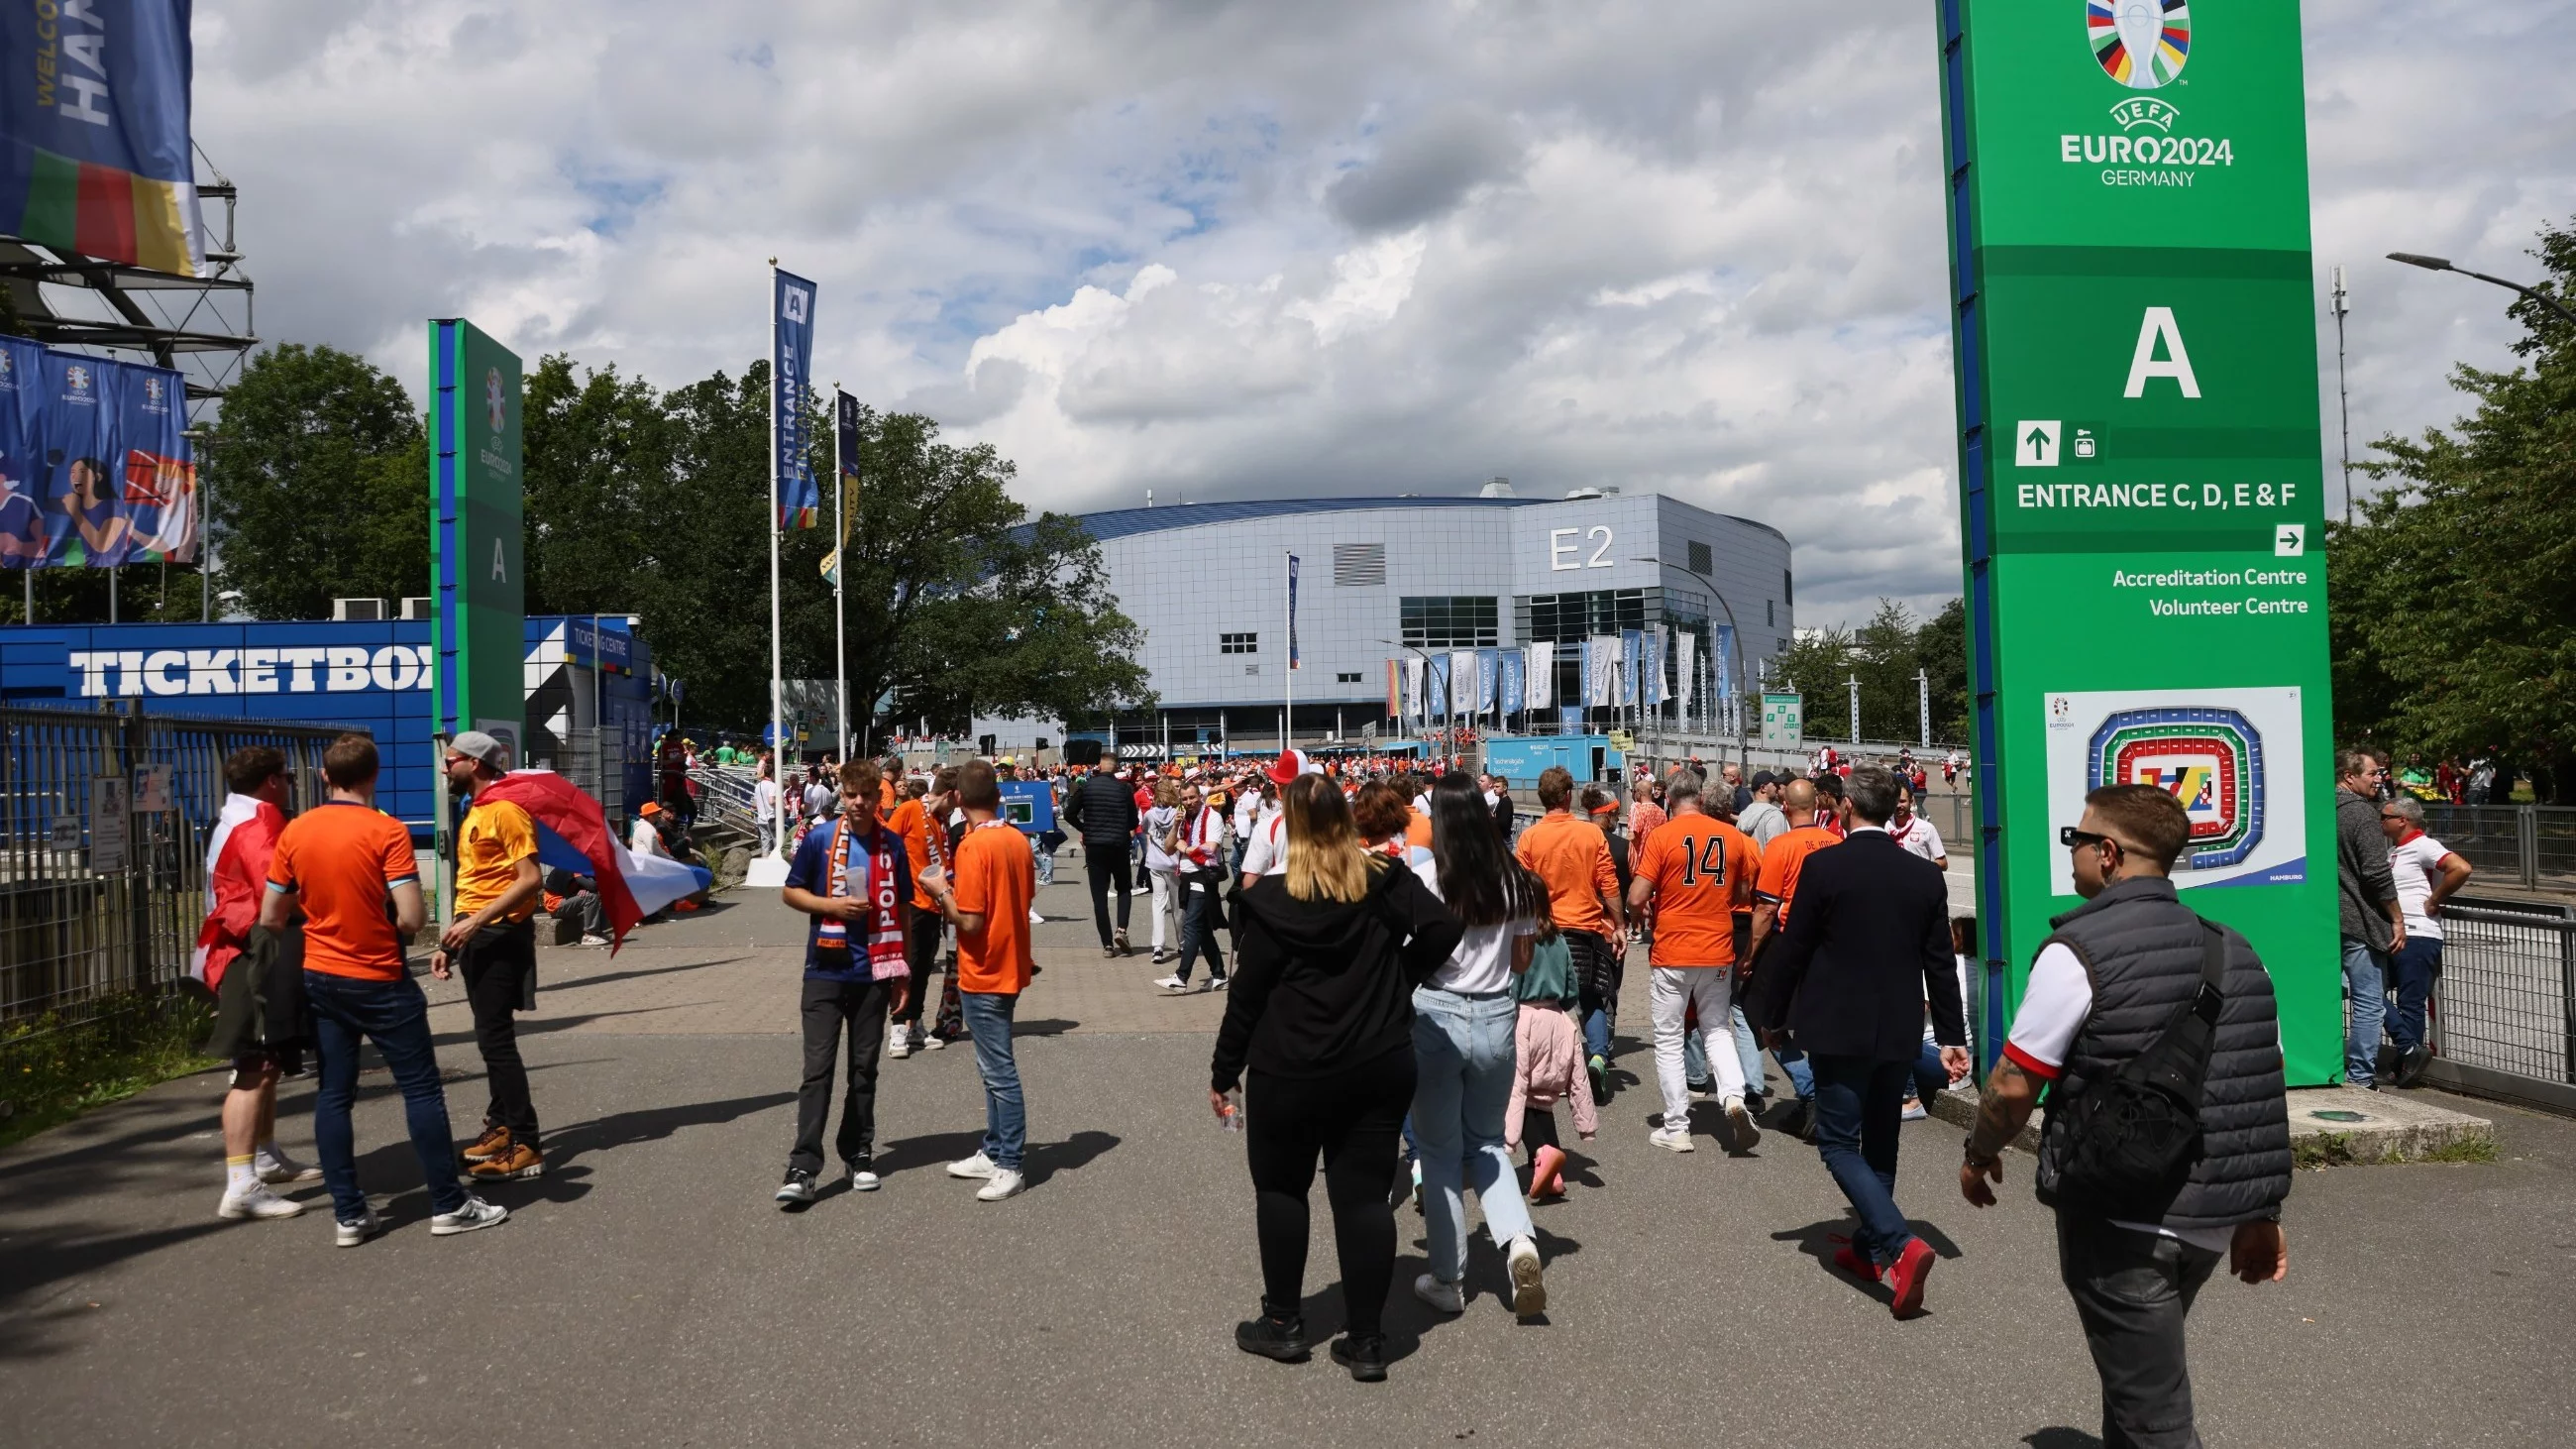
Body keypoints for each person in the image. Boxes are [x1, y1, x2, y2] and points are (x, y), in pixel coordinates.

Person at [1961, 783, 2292, 1447]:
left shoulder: (2078, 951)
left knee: (2155, 1417)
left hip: (2120, 1213)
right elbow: (2256, 1087)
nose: (2074, 853)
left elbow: (2015, 1080)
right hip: (2209, 1220)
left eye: (2077, 841)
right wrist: (2260, 1214)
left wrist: (1979, 1151)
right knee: (2135, 1385)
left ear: (2108, 854)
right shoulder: (2234, 950)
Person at [1216, 773, 1463, 1382]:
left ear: (1291, 829)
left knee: (1281, 1190)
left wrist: (1224, 1072)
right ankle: (1368, 1338)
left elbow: (1245, 999)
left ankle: (1282, 1324)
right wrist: (1399, 980)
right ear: (1346, 823)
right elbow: (1443, 929)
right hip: (1376, 1061)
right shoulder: (1384, 883)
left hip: (1290, 1067)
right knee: (1362, 1197)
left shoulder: (1269, 902)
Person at [261, 733, 505, 1247]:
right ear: (375, 775)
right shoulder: (387, 832)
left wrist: (322, 917)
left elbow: (271, 915)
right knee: (419, 1088)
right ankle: (449, 1203)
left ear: (325, 776)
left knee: (333, 1093)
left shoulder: (296, 831)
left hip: (321, 976)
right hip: (378, 976)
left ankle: (349, 1214)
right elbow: (414, 918)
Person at [1746, 764, 1965, 1318]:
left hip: (1837, 1025)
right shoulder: (1923, 877)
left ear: (1844, 806)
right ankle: (1870, 1247)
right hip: (1897, 1026)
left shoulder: (1824, 867)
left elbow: (1793, 950)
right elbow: (1941, 965)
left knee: (1839, 1145)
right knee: (1883, 1141)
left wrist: (1769, 1014)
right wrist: (1952, 1037)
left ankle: (1897, 1241)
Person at [1407, 772, 1550, 1319]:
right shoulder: (1516, 879)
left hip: (1438, 1013)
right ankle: (1519, 1242)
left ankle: (1448, 1278)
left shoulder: (1426, 873)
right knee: (1489, 1144)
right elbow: (1520, 961)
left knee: (1439, 1151)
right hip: (1496, 1013)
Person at [774, 762, 912, 1204]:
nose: (859, 803)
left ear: (878, 797)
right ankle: (803, 1164)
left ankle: (859, 1151)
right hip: (825, 971)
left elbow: (904, 910)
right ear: (842, 794)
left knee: (863, 1069)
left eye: (867, 795)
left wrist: (903, 971)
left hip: (874, 970)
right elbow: (790, 891)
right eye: (852, 795)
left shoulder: (893, 844)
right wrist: (830, 903)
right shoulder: (819, 839)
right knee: (817, 1071)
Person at [194, 745, 320, 1221]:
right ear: (271, 780)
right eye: (286, 776)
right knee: (254, 1063)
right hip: (252, 949)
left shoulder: (235, 815)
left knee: (266, 1062)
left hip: (243, 944)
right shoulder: (259, 823)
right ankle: (241, 1182)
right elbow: (281, 885)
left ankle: (263, 1156)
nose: (290, 783)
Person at [917, 760, 1036, 1202]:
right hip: (1009, 960)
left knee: (998, 1069)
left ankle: (1010, 1161)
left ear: (959, 800)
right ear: (999, 797)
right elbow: (1022, 897)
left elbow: (968, 920)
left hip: (984, 966)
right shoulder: (1016, 840)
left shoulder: (972, 847)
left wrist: (939, 891)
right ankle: (995, 1150)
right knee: (992, 1067)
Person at [1627, 771, 1763, 1154]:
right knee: (1717, 1029)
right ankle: (1734, 1098)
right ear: (1701, 798)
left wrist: (1639, 914)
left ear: (1668, 800)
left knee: (1670, 1038)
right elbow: (1741, 890)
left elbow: (1637, 896)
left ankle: (1676, 1126)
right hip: (1717, 946)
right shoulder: (1734, 837)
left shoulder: (1663, 836)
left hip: (1673, 947)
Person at [438, 730, 547, 1183]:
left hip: (499, 936)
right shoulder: (474, 810)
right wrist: (449, 943)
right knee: (491, 1038)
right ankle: (501, 1126)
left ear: (476, 764)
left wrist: (476, 923)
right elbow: (475, 881)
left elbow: (530, 879)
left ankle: (527, 1143)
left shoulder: (506, 811)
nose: (445, 768)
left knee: (495, 1041)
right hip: (478, 935)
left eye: (452, 760)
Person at [1516, 766, 1628, 1101]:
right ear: (1568, 797)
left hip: (1544, 930)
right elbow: (1609, 884)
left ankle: (1551, 1070)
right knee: (1592, 997)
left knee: (1543, 1002)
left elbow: (1523, 889)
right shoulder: (1591, 835)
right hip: (1586, 929)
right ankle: (1597, 1057)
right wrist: (1620, 925)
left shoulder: (1529, 837)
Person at [2380, 796, 2472, 1088]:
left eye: (2385, 816)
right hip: (2397, 933)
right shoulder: (2396, 850)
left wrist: (2434, 900)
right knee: (2369, 991)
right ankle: (2409, 1052)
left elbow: (2461, 868)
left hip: (2419, 933)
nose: (2380, 820)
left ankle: (2406, 1063)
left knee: (2410, 1002)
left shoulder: (2423, 845)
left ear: (2402, 820)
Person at [2333, 749, 2405, 1089]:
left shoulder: (2319, 808)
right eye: (2373, 773)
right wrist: (2397, 918)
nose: (2380, 779)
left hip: (2325, 917)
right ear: (2350, 775)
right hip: (2358, 919)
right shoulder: (2361, 814)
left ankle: (2328, 1062)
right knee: (2369, 1001)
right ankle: (2361, 1076)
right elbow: (2377, 873)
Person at [885, 770, 955, 1058]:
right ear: (950, 794)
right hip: (910, 904)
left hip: (933, 904)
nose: (957, 808)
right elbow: (886, 848)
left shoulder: (941, 820)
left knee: (924, 967)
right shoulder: (908, 810)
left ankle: (915, 1025)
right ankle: (897, 1030)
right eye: (957, 801)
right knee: (907, 967)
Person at [1159, 779, 1232, 992]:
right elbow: (1168, 848)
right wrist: (1175, 827)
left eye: (1192, 797)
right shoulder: (1181, 820)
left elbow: (1210, 849)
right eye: (1184, 799)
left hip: (1203, 876)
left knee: (1190, 926)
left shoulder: (1213, 817)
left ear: (1200, 796)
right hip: (1186, 878)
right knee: (1202, 929)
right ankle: (1219, 975)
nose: (1189, 802)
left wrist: (1186, 847)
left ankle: (1181, 978)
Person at [1066, 760, 1138, 957]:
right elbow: (1134, 820)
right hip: (1118, 845)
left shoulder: (1086, 787)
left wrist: (1085, 830)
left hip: (1095, 847)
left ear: (1099, 766)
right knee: (1124, 888)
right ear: (1115, 768)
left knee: (1099, 895)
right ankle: (1121, 930)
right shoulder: (1124, 789)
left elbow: (1069, 813)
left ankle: (1107, 944)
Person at [1144, 779, 1183, 966]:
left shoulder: (1150, 814)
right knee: (1178, 906)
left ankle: (1157, 947)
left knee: (1158, 905)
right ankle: (1182, 943)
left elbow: (1145, 830)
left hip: (1155, 862)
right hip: (1174, 863)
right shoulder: (1178, 813)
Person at [1889, 790, 1948, 870]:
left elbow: (1943, 863)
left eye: (1902, 801)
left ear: (1911, 800)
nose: (1898, 805)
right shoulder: (1883, 826)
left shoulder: (1926, 828)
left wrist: (1920, 868)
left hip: (1917, 881)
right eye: (1895, 801)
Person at [1737, 770, 1788, 848]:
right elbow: (1776, 852)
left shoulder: (1743, 813)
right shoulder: (1774, 815)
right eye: (1775, 785)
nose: (1779, 788)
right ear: (1763, 788)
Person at [754, 760, 782, 857]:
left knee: (765, 843)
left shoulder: (757, 786)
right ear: (772, 773)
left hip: (760, 818)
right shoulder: (773, 786)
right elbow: (771, 801)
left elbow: (755, 803)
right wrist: (782, 804)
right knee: (776, 843)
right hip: (771, 818)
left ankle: (764, 862)